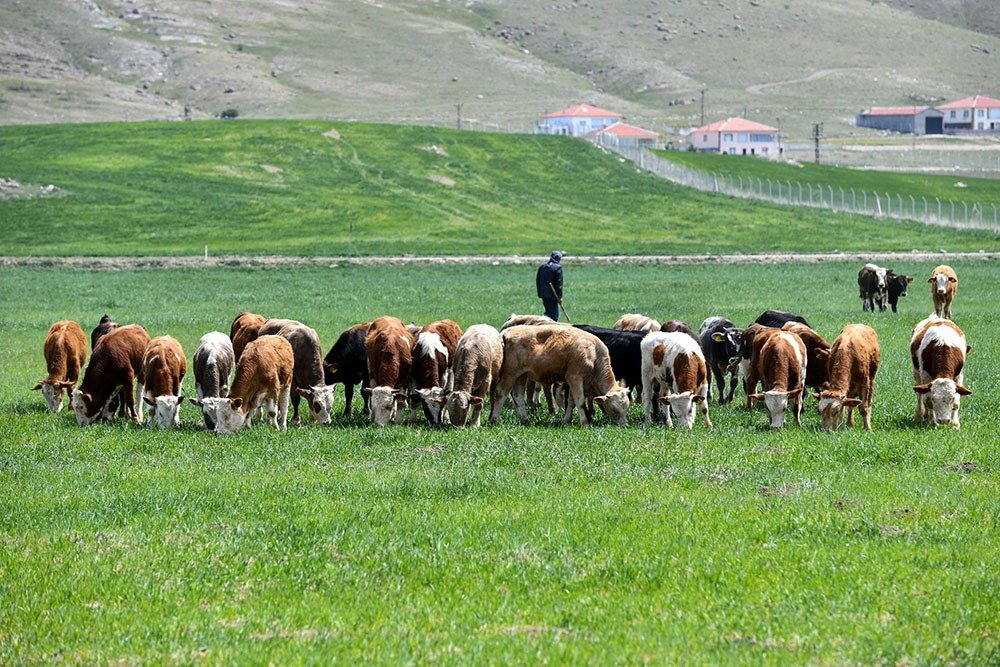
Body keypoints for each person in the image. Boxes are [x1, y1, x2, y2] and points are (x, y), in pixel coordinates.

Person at [536, 251, 565, 320]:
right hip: (552, 294)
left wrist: (540, 293)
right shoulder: (557, 267)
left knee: (547, 312)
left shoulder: (543, 266)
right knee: (554, 315)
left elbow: (538, 281)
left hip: (543, 293)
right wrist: (559, 297)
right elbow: (559, 284)